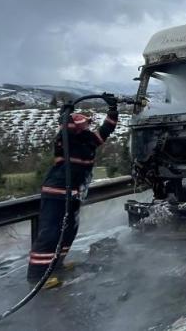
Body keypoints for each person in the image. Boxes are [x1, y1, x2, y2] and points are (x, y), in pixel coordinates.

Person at [27, 96, 119, 287]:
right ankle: (37, 276)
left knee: (69, 230)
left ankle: (57, 265)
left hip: (74, 192)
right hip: (57, 191)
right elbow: (66, 129)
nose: (87, 127)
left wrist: (113, 109)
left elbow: (107, 129)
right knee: (51, 232)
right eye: (84, 124)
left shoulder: (89, 140)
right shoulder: (66, 140)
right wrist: (65, 115)